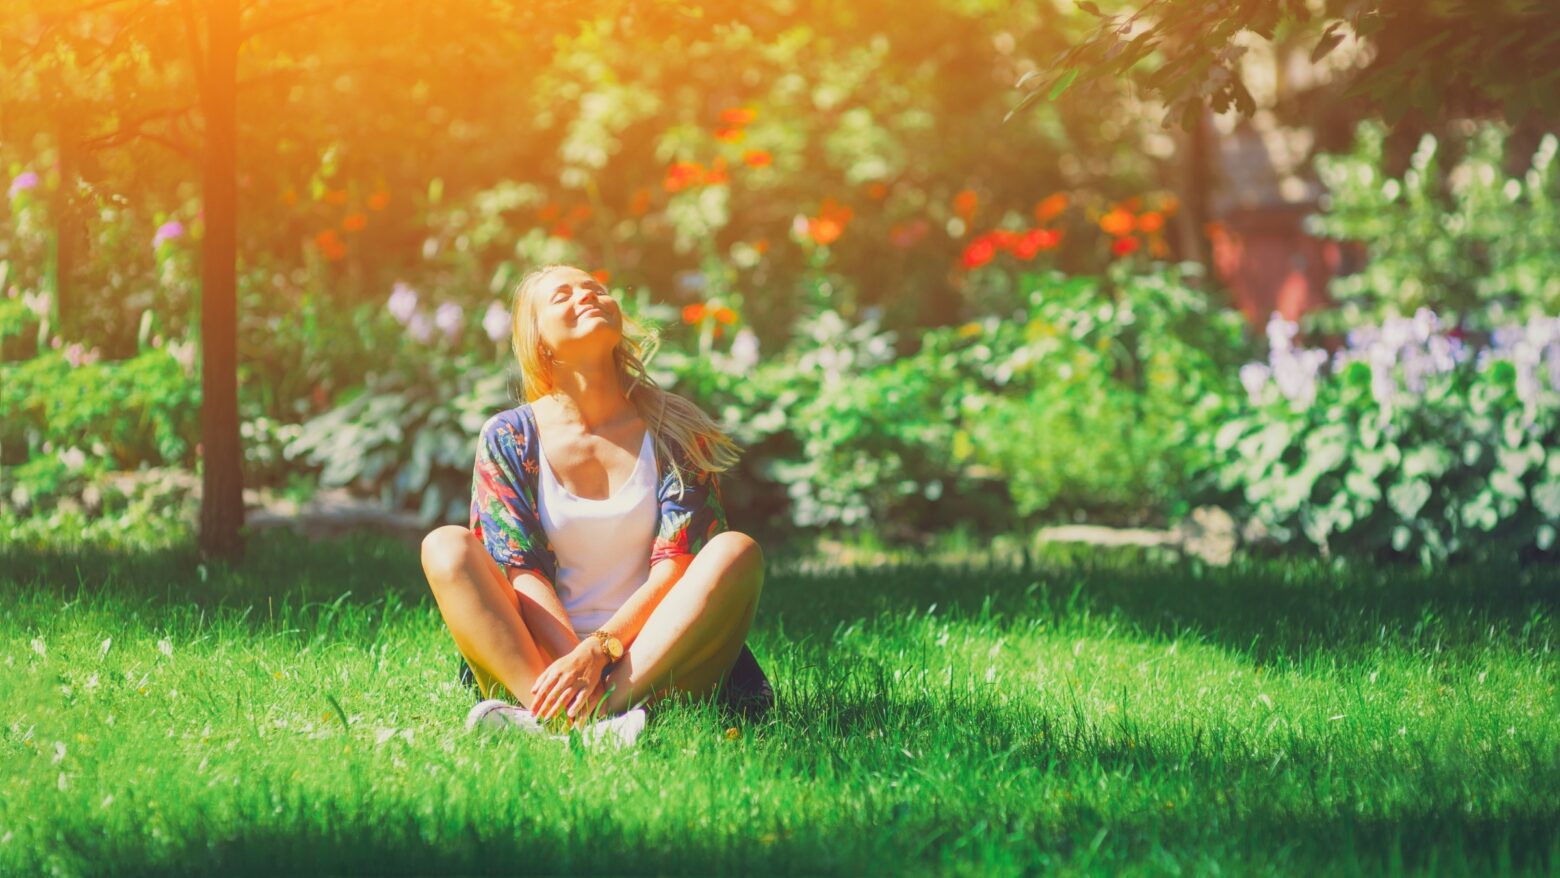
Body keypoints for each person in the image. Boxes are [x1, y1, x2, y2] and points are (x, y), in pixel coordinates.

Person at [420, 264, 771, 736]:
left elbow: (676, 569)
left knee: (736, 551)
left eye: (595, 289)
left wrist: (600, 651)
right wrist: (572, 664)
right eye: (562, 295)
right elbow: (520, 571)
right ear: (538, 338)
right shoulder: (509, 437)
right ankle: (561, 714)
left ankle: (591, 718)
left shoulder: (675, 428)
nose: (586, 296)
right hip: (540, 663)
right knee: (445, 545)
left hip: (656, 658)